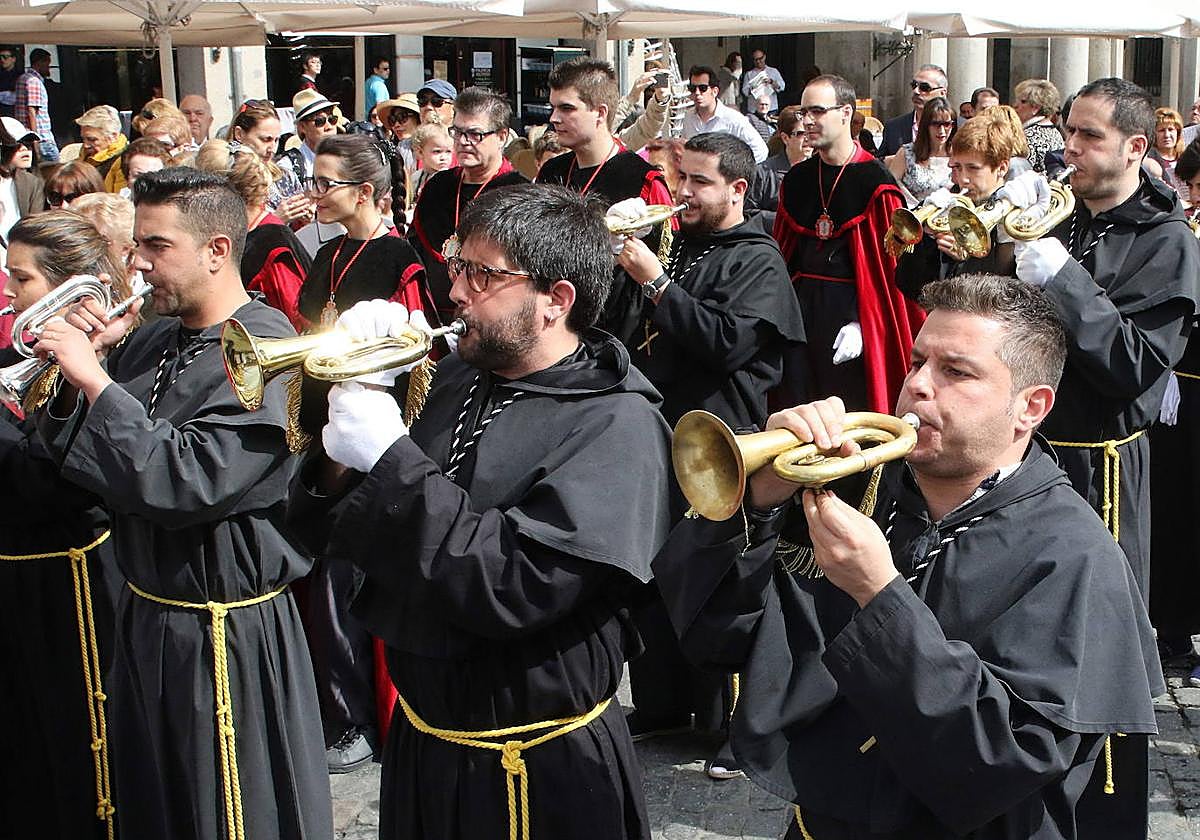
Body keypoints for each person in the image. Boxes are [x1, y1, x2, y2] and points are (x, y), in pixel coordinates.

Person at [653, 272, 1163, 840]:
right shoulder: (863, 485)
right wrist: (760, 502)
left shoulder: (1074, 552)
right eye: (917, 362)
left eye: (957, 372)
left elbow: (1001, 759)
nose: (918, 386)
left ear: (1031, 408)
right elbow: (716, 636)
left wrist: (879, 594)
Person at [289, 182, 673, 840]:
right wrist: (349, 405)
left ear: (556, 301)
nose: (456, 292)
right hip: (425, 739)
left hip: (534, 767)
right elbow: (340, 528)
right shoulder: (463, 376)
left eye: (483, 275)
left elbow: (513, 587)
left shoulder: (620, 425)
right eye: (456, 265)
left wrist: (388, 455)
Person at [31, 167, 333, 840]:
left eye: (156, 246)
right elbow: (76, 463)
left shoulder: (270, 346)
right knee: (155, 805)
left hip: (223, 634)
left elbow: (188, 481)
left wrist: (94, 381)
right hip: (144, 615)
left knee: (226, 812)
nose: (137, 263)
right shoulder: (150, 336)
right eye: (136, 244)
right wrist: (75, 378)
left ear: (218, 250)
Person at [1012, 81, 1200, 832]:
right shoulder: (1058, 215)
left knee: (1100, 640)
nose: (1070, 150)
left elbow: (1133, 366)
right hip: (1029, 450)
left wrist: (1062, 279)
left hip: (1102, 466)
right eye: (1067, 134)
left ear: (1135, 147)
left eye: (1088, 137)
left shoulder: (1168, 241)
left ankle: (1107, 811)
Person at [612, 132, 805, 774]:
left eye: (697, 182)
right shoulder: (679, 242)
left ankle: (736, 727)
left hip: (725, 436)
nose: (681, 194)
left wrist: (657, 282)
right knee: (658, 569)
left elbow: (724, 345)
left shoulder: (758, 260)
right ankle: (664, 704)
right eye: (678, 179)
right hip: (661, 429)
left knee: (727, 582)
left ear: (737, 190)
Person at [0, 211, 132, 840]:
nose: (8, 292)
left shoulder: (107, 362)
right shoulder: (19, 357)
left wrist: (83, 371)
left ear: (64, 288)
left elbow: (47, 484)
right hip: (21, 581)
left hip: (72, 583)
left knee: (82, 750)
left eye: (20, 280)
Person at [774, 74, 922, 413]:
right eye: (803, 112)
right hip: (801, 315)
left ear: (844, 113)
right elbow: (783, 254)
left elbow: (889, 271)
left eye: (817, 111)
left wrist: (862, 323)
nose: (807, 121)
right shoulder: (797, 180)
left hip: (854, 315)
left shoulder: (875, 183)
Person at [537, 57, 676, 344]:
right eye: (553, 107)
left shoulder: (643, 181)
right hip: (550, 326)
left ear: (600, 113)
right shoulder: (551, 172)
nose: (553, 118)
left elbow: (662, 270)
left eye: (566, 108)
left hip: (616, 335)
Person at [411, 87, 526, 325]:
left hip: (492, 320)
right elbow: (415, 253)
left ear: (502, 136)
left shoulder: (520, 194)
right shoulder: (438, 186)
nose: (463, 142)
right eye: (457, 132)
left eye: (475, 134)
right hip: (432, 316)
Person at [1151, 141, 1200, 675]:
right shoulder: (1184, 234)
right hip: (1183, 391)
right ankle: (1173, 629)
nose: (1194, 196)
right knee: (1174, 512)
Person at [299, 134, 430, 333]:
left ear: (364, 192)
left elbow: (414, 344)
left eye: (325, 183)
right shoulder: (328, 253)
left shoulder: (398, 259)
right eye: (314, 182)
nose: (315, 193)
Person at [894, 108, 1029, 290]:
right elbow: (907, 285)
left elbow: (1009, 288)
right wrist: (925, 239)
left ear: (1002, 168)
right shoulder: (950, 202)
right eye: (956, 167)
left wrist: (965, 261)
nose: (962, 179)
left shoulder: (1018, 214)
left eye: (973, 168)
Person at [226, 99, 308, 224]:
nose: (272, 149)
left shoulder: (285, 177)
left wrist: (305, 216)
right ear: (239, 134)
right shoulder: (224, 178)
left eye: (276, 140)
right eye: (265, 139)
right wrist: (276, 219)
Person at [681, 65, 769, 163]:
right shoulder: (688, 117)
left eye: (703, 88)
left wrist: (733, 170)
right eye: (693, 88)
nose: (697, 93)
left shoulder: (733, 118)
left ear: (714, 91)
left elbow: (761, 151)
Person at [885, 95, 954, 206]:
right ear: (925, 125)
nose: (942, 131)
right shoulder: (906, 152)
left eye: (946, 124)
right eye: (935, 124)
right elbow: (890, 187)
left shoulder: (959, 155)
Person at [746, 105, 809, 216]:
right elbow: (748, 212)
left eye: (810, 132)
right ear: (785, 138)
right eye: (801, 134)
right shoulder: (762, 173)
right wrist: (783, 220)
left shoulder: (821, 170)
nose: (807, 138)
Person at [880, 64, 948, 157]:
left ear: (942, 93)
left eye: (924, 87)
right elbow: (880, 165)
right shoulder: (893, 127)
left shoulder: (957, 128)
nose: (916, 91)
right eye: (914, 85)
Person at [0, 118, 45, 254]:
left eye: (28, 143)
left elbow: (35, 227)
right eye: (17, 144)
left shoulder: (32, 183)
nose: (25, 149)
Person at [282, 88, 341, 185]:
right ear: (302, 127)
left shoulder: (347, 158)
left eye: (332, 119)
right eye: (320, 121)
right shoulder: (288, 167)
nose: (329, 127)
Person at [14, 48, 57, 162]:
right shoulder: (33, 81)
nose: (49, 68)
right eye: (47, 64)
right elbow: (32, 111)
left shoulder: (23, 78)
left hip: (26, 137)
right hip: (42, 139)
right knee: (55, 175)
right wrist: (36, 142)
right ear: (39, 63)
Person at [1014, 78, 1065, 174]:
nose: (1015, 105)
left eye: (1023, 101)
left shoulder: (1026, 137)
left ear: (1035, 108)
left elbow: (1018, 174)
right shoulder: (1056, 133)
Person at [74, 105, 128, 182]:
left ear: (113, 136)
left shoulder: (124, 163)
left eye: (92, 140)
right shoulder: (84, 156)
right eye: (83, 139)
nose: (85, 145)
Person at [1149, 107, 1189, 199]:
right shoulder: (1149, 159)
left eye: (1171, 129)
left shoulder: (1187, 156)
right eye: (1161, 130)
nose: (1167, 135)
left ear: (1178, 132)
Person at [741, 48, 785, 115]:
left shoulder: (773, 71)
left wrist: (771, 82)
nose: (758, 61)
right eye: (756, 60)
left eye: (760, 58)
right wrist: (754, 86)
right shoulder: (749, 74)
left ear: (764, 57)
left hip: (771, 108)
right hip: (754, 109)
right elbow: (745, 91)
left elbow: (782, 87)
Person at [0, 47, 18, 118]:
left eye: (5, 57)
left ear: (13, 59)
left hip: (13, 114)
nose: (2, 60)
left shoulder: (19, 76)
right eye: (0, 57)